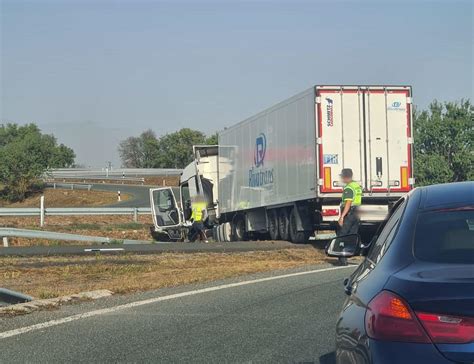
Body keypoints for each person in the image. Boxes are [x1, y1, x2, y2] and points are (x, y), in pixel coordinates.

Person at [337, 168, 362, 265]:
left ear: (345, 177)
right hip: (357, 213)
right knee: (352, 235)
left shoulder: (349, 188)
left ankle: (342, 258)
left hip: (350, 214)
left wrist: (342, 216)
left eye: (342, 177)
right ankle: (348, 254)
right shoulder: (357, 186)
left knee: (342, 235)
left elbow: (348, 203)